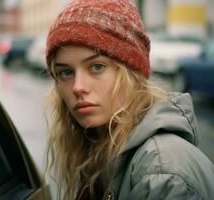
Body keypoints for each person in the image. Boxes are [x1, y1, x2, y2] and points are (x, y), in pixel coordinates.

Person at [44, 0, 214, 199]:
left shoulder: (162, 172)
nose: (78, 87)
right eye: (65, 72)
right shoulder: (98, 150)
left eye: (97, 66)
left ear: (131, 73)